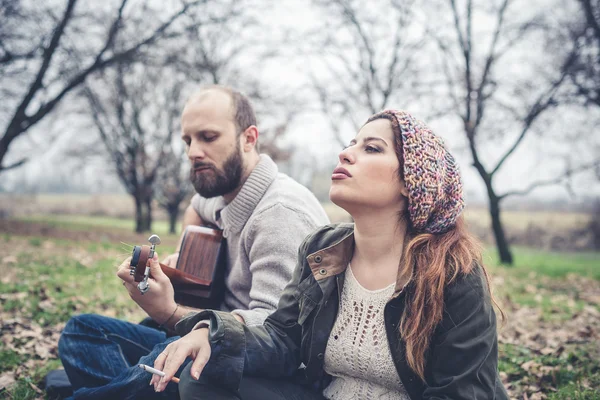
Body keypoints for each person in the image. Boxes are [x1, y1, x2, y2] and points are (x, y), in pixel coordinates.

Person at [153, 109, 509, 400]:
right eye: (351, 143)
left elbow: (461, 392)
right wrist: (213, 333)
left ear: (411, 182)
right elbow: (282, 339)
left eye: (371, 148)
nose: (345, 153)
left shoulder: (453, 272)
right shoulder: (322, 249)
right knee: (204, 377)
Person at [57, 85, 330, 399]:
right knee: (83, 331)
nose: (192, 152)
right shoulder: (226, 192)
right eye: (188, 140)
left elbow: (274, 332)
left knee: (164, 357)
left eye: (208, 137)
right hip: (206, 335)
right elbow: (196, 206)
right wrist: (189, 260)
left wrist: (169, 312)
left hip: (242, 364)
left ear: (249, 138)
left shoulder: (280, 215)